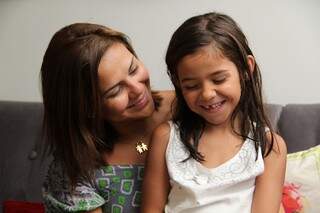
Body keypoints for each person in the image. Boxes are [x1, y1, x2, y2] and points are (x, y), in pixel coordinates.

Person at [142, 12, 287, 213]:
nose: (208, 94)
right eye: (192, 86)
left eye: (219, 80)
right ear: (178, 84)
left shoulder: (269, 147)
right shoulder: (165, 138)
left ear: (246, 69)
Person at [40, 23, 174, 212]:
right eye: (115, 91)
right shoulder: (74, 173)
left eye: (133, 69)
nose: (138, 90)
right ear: (87, 108)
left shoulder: (190, 107)